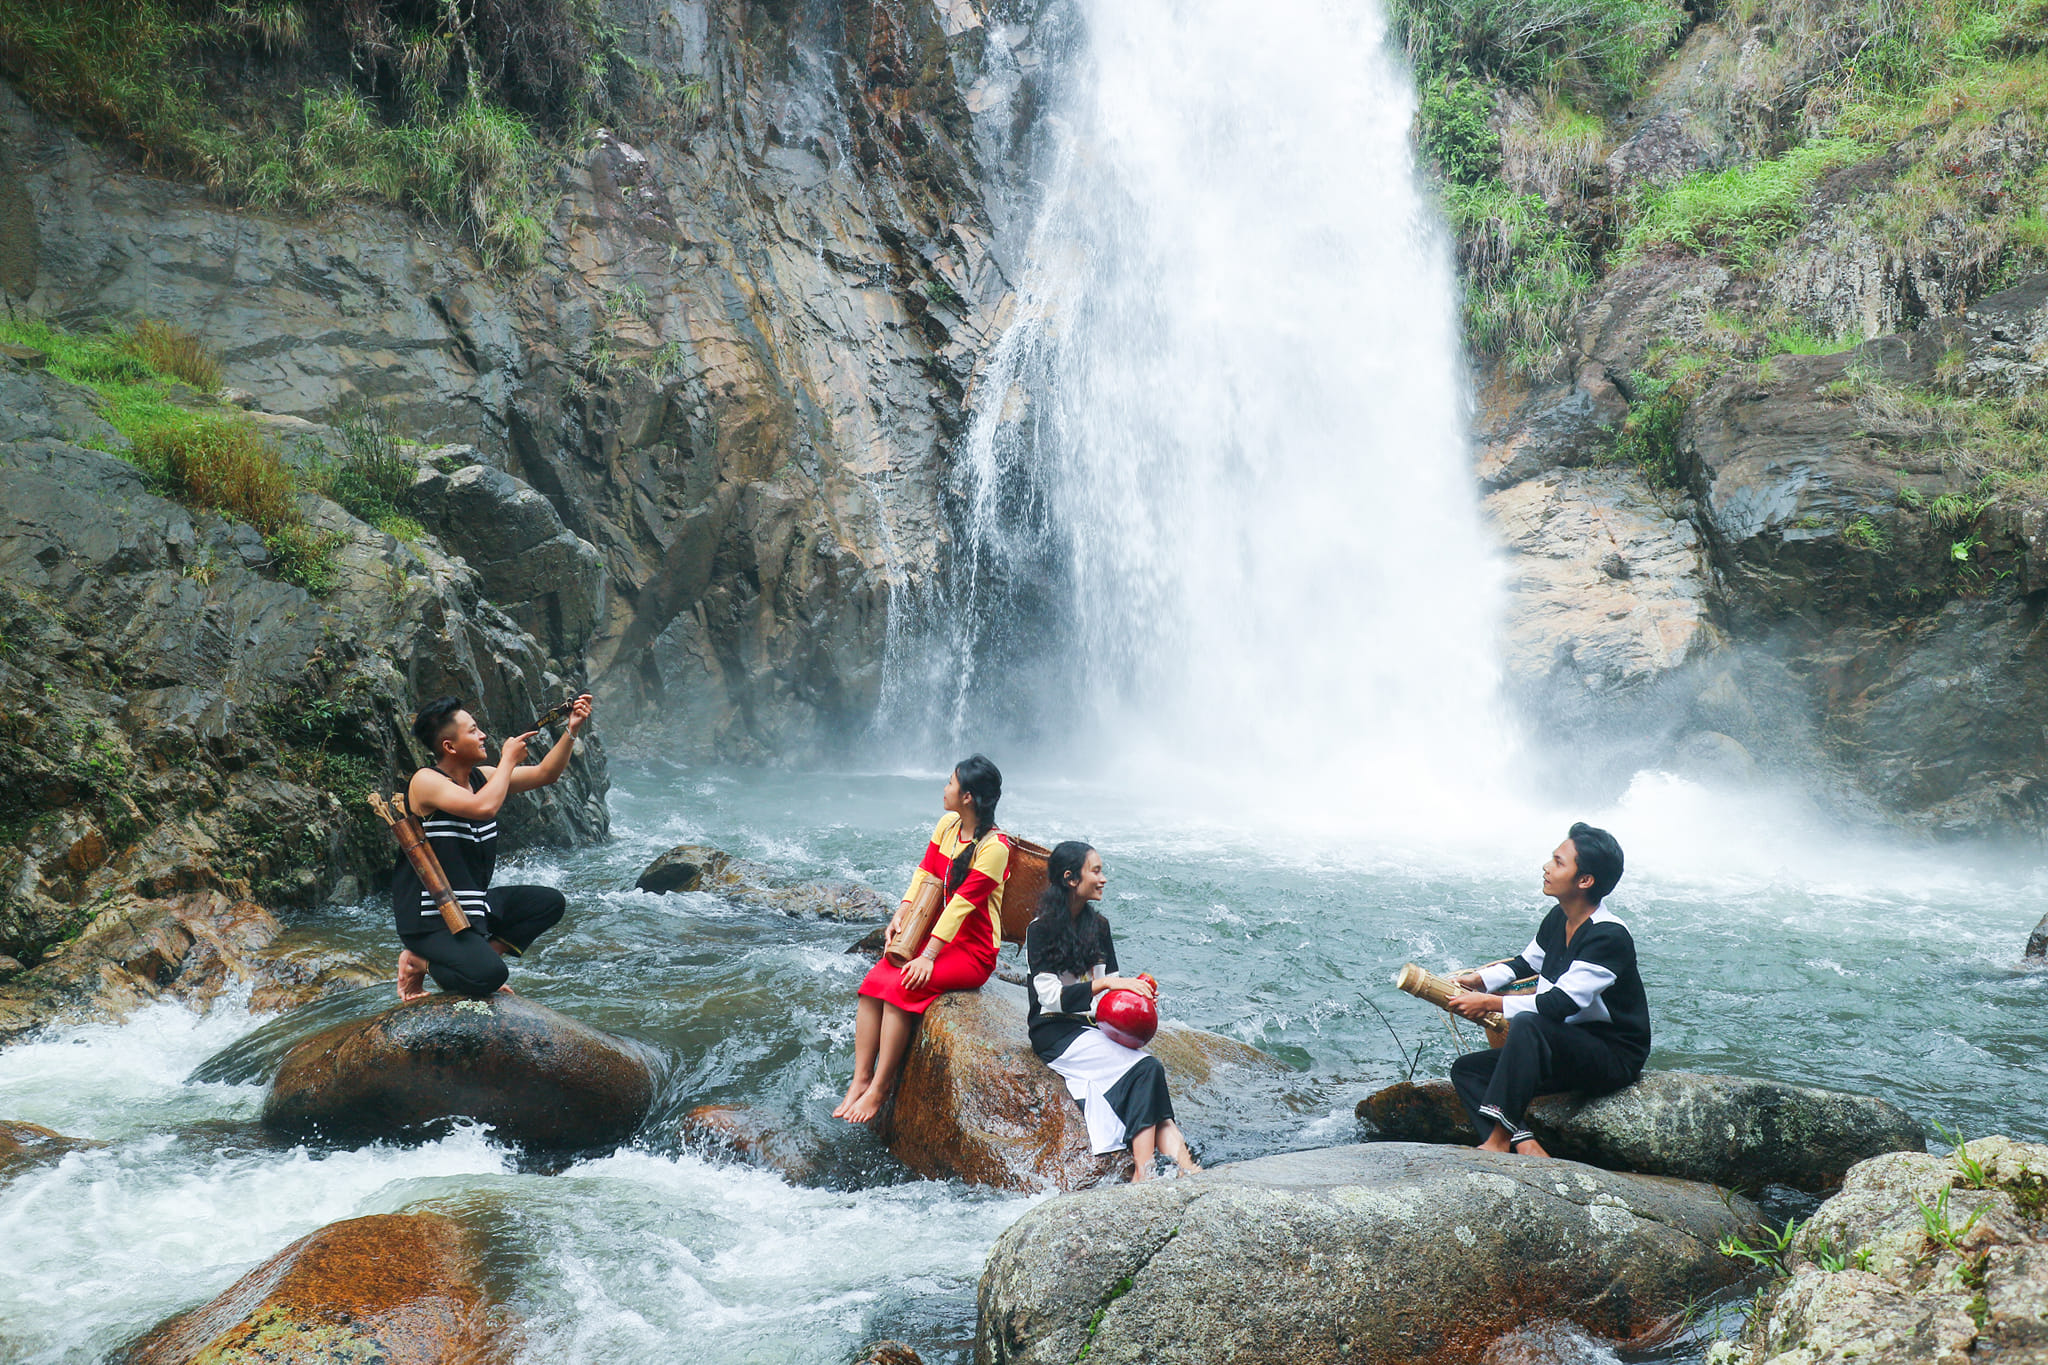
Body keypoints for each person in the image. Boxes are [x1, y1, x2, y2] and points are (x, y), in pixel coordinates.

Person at [1444, 822, 1650, 1157]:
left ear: (1585, 881)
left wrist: (1489, 1004)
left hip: (1611, 1056)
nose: (1546, 867)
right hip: (1566, 1046)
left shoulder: (1608, 936)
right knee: (1467, 1070)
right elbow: (1526, 964)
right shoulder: (1560, 918)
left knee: (1530, 1023)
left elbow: (1559, 1004)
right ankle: (1525, 1143)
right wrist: (1479, 981)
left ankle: (1496, 1143)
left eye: (1558, 862)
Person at [835, 755, 1010, 1124]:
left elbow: (961, 907)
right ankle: (860, 1078)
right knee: (873, 983)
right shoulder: (948, 825)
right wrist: (903, 910)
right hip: (935, 932)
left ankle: (880, 1088)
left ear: (968, 797)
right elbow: (926, 872)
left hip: (972, 950)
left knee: (903, 986)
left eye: (950, 783)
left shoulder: (995, 848)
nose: (944, 788)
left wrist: (928, 955)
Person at [392, 694, 592, 1001]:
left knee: (549, 902)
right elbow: (483, 808)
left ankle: (479, 955)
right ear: (449, 746)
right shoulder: (426, 781)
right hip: (431, 920)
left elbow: (545, 774)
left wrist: (571, 730)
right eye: (472, 731)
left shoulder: (482, 777)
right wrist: (508, 760)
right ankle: (419, 960)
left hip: (471, 908)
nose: (483, 735)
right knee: (490, 976)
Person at [1025, 840, 1199, 1181]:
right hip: (1053, 1032)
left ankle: (1189, 1169)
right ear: (1071, 878)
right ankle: (1144, 1172)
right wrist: (1106, 987)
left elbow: (1110, 993)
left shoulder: (1098, 926)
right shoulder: (1039, 928)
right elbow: (1049, 997)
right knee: (1147, 1067)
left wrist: (1139, 998)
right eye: (1096, 871)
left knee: (1151, 1077)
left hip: (1093, 1028)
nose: (1103, 878)